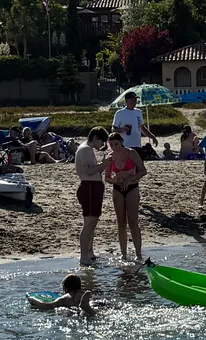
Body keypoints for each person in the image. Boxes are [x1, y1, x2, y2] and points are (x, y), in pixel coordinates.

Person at [105, 130, 146, 263]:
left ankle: (138, 254)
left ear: (121, 142)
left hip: (132, 187)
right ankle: (123, 254)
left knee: (133, 221)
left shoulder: (131, 153)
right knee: (121, 222)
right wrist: (114, 180)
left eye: (116, 144)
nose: (114, 147)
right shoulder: (110, 157)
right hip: (118, 189)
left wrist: (130, 179)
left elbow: (143, 170)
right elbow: (107, 177)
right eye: (111, 145)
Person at [74, 126, 105, 265]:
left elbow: (93, 169)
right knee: (89, 223)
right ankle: (83, 256)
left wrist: (103, 165)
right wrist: (104, 164)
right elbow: (89, 171)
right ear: (95, 138)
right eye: (102, 142)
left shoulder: (87, 149)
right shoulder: (86, 149)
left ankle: (89, 252)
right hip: (89, 187)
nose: (102, 145)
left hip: (93, 187)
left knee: (92, 223)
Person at [30, 273, 96, 317]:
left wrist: (33, 299)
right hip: (92, 303)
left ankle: (85, 309)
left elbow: (46, 306)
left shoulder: (65, 297)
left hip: (74, 307)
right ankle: (87, 308)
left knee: (70, 313)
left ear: (65, 287)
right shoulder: (84, 293)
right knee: (93, 312)